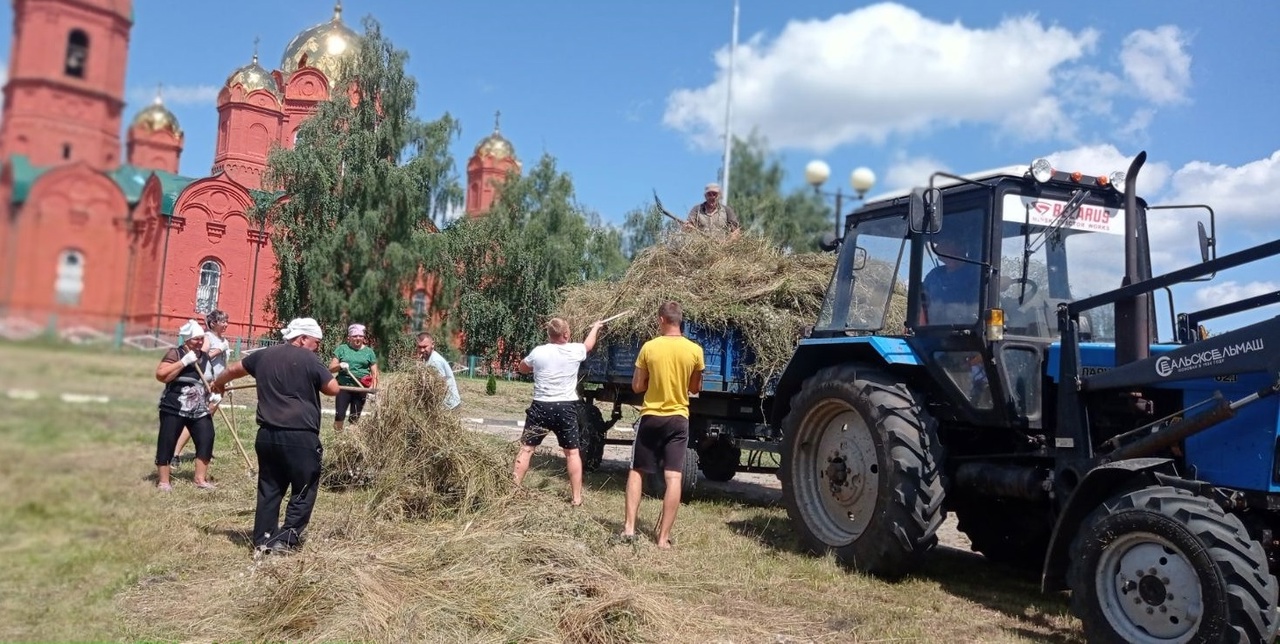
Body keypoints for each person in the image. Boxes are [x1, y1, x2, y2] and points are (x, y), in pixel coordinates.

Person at [211, 317, 339, 555]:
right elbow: (332, 389)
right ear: (302, 339)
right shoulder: (309, 358)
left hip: (267, 435)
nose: (317, 347)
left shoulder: (263, 355)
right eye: (315, 342)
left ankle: (263, 539)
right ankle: (286, 539)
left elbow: (231, 370)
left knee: (270, 488)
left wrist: (218, 384)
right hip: (300, 436)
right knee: (304, 487)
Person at [621, 302, 705, 549]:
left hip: (651, 417)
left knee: (637, 471)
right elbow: (695, 388)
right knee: (673, 477)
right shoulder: (695, 351)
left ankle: (628, 529)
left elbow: (637, 386)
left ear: (661, 320)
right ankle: (663, 538)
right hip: (678, 419)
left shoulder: (649, 347)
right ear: (680, 321)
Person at [512, 317, 605, 506]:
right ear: (566, 334)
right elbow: (589, 345)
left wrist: (531, 367)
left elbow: (522, 367)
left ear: (549, 334)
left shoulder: (538, 352)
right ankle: (577, 498)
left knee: (527, 449)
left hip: (541, 406)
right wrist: (595, 327)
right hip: (565, 407)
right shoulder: (574, 350)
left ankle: (513, 490)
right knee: (572, 453)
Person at [153, 319, 217, 491]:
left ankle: (200, 479)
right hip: (175, 406)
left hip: (199, 408)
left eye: (201, 338)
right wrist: (183, 362)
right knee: (167, 441)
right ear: (187, 339)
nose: (200, 342)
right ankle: (164, 481)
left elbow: (210, 380)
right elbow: (161, 375)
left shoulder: (204, 357)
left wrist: (214, 391)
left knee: (206, 438)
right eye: (196, 339)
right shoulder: (176, 353)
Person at [173, 309, 230, 467]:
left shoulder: (222, 339)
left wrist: (227, 379)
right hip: (206, 383)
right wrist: (220, 349)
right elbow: (201, 358)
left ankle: (204, 450)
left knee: (206, 419)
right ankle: (175, 453)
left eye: (227, 321)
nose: (226, 324)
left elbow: (222, 363)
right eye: (223, 321)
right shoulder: (207, 338)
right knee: (197, 418)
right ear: (213, 323)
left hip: (218, 384)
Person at [919, 225, 983, 326]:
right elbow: (922, 302)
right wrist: (920, 329)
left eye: (948, 244)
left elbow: (990, 286)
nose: (940, 248)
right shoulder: (934, 275)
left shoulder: (976, 272)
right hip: (933, 331)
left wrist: (1000, 283)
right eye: (941, 245)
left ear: (961, 248)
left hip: (967, 331)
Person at [329, 323, 378, 431]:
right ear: (349, 338)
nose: (358, 338)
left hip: (361, 388)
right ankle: (338, 439)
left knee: (355, 418)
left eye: (360, 336)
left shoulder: (369, 352)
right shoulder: (342, 349)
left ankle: (350, 443)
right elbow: (331, 368)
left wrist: (372, 390)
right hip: (343, 388)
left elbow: (375, 373)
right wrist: (340, 366)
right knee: (339, 415)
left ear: (363, 338)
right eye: (355, 336)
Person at [416, 332, 461, 411]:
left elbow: (440, 386)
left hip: (449, 406)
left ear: (432, 345)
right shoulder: (426, 359)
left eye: (425, 346)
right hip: (442, 405)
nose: (422, 350)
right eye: (419, 347)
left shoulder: (435, 361)